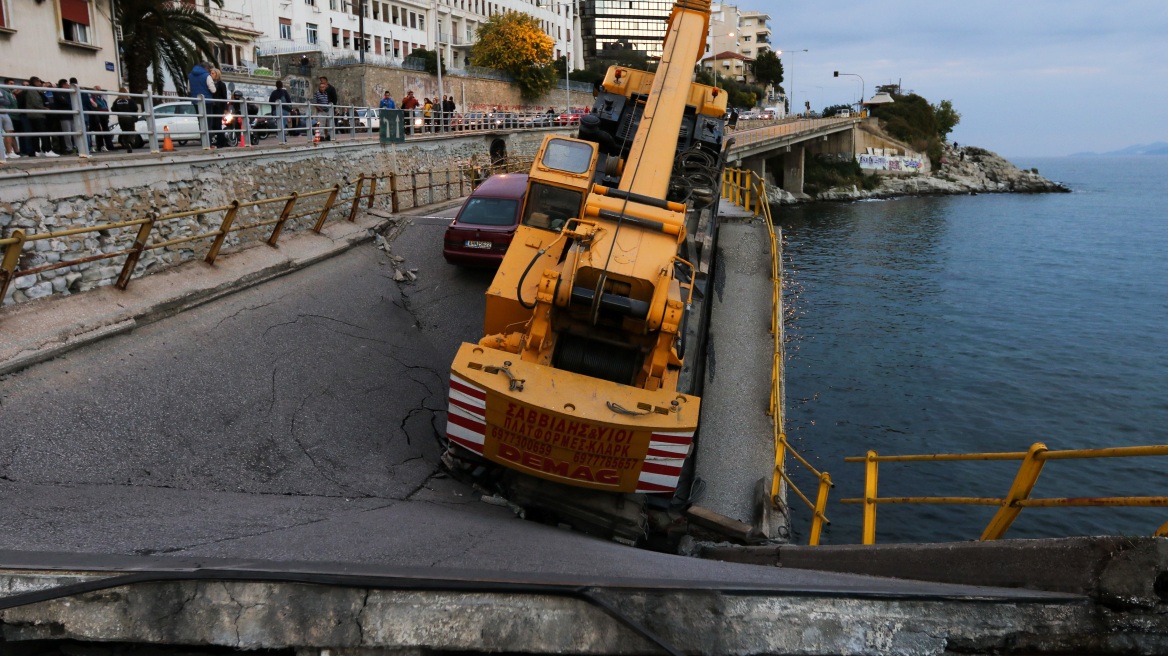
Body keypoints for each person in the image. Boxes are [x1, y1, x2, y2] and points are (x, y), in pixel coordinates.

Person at [111, 88, 138, 154]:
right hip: (129, 117)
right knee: (131, 131)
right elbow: (135, 108)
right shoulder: (129, 100)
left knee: (124, 131)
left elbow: (113, 109)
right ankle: (129, 142)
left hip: (121, 118)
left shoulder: (117, 101)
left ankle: (127, 144)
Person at [312, 76, 337, 140]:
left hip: (327, 110)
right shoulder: (317, 93)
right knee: (321, 124)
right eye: (321, 87)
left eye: (323, 87)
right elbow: (315, 102)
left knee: (329, 123)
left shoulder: (327, 92)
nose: (322, 88)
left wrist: (332, 108)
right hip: (322, 111)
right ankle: (322, 136)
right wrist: (320, 109)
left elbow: (333, 99)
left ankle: (329, 136)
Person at [90, 85, 114, 152]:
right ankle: (100, 146)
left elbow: (105, 105)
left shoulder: (101, 98)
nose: (99, 91)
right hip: (98, 114)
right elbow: (95, 105)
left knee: (106, 130)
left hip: (104, 115)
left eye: (100, 89)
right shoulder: (92, 97)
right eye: (98, 89)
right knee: (99, 130)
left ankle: (110, 146)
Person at [210, 68, 229, 147]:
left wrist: (225, 108)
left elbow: (224, 97)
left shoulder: (221, 84)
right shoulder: (211, 83)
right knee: (214, 124)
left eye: (213, 73)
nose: (211, 75)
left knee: (217, 124)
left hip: (219, 106)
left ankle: (221, 142)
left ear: (217, 74)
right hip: (213, 106)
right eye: (211, 73)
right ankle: (221, 140)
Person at [0, 80, 19, 158]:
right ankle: (2, 153)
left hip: (5, 113)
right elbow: (5, 101)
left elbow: (8, 102)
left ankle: (9, 152)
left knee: (9, 131)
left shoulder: (2, 90)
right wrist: (3, 100)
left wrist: (2, 100)